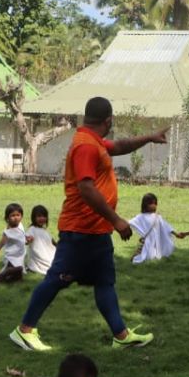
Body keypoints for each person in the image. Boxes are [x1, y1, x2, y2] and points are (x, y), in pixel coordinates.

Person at [10, 97, 164, 352]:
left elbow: (120, 146)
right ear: (108, 120)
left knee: (105, 282)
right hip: (80, 230)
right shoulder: (85, 146)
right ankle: (24, 330)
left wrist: (149, 138)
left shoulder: (94, 141)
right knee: (56, 279)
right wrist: (116, 220)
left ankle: (121, 335)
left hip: (96, 231)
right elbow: (85, 187)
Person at [128, 193, 176, 264]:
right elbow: (131, 222)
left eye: (155, 203)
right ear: (145, 205)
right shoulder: (141, 217)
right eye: (151, 203)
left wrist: (176, 234)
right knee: (147, 255)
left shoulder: (158, 217)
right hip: (148, 242)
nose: (154, 205)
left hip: (157, 240)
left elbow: (166, 227)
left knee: (156, 254)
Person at [0, 203, 29, 283]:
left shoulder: (20, 226)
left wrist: (27, 239)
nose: (16, 218)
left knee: (19, 277)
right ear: (7, 218)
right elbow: (2, 242)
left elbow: (21, 237)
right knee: (16, 269)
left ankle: (7, 278)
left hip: (20, 255)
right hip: (12, 257)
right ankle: (1, 276)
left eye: (18, 215)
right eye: (13, 215)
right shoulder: (8, 232)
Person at [26, 205, 56, 276]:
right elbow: (26, 239)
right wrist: (28, 240)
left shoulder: (45, 231)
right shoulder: (32, 229)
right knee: (50, 264)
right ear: (34, 218)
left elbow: (52, 242)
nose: (42, 218)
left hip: (49, 254)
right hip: (40, 256)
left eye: (44, 216)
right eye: (39, 216)